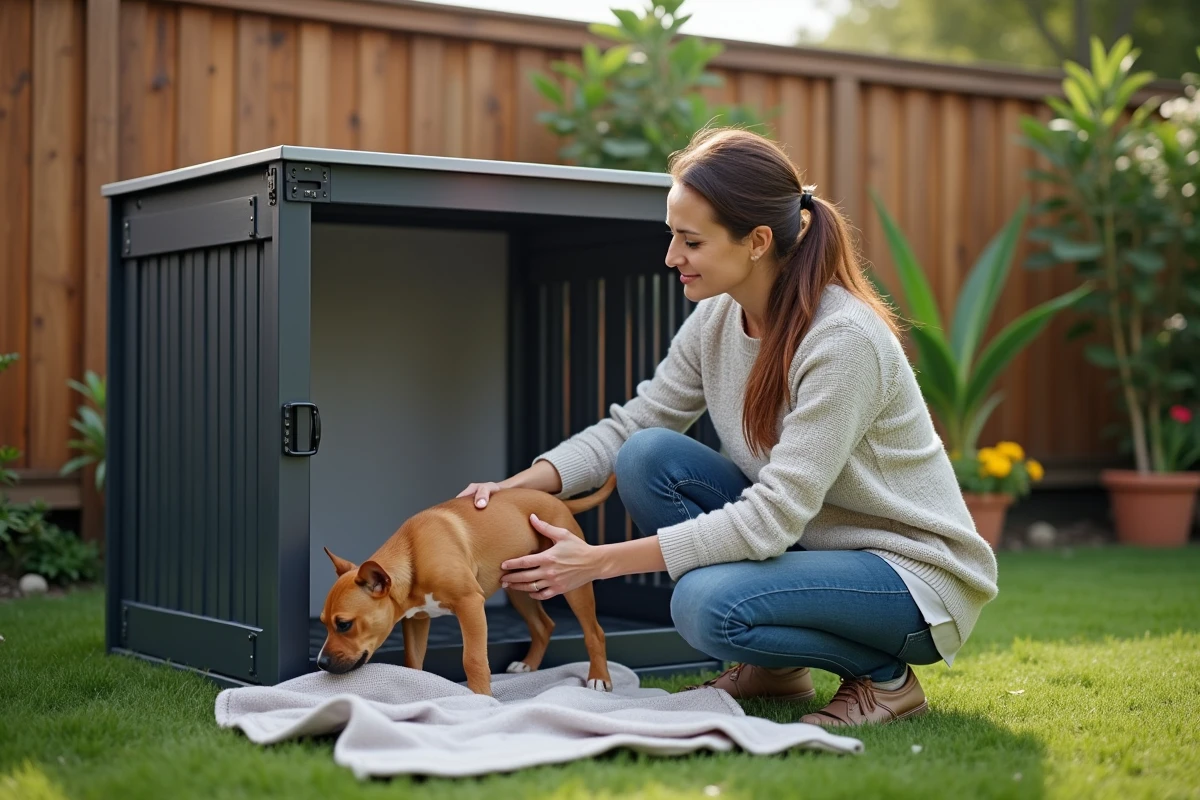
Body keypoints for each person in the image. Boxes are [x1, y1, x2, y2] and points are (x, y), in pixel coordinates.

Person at [457, 126, 998, 727]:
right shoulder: (721, 317)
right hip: (814, 548)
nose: (670, 257)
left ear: (757, 241)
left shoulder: (843, 341)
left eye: (690, 241)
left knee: (703, 606)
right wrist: (519, 484)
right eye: (671, 236)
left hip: (910, 580)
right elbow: (634, 423)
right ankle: (777, 671)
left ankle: (886, 679)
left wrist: (597, 560)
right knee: (646, 455)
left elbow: (772, 516)